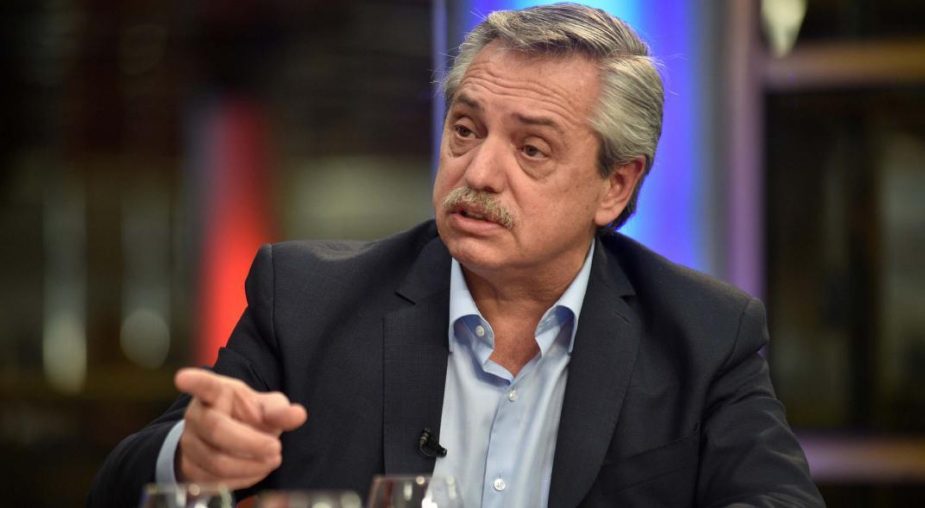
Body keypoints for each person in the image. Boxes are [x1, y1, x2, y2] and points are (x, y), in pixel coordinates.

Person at [89, 3, 824, 507]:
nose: (478, 172)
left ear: (615, 185)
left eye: (531, 149)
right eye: (466, 129)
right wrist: (191, 459)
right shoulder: (307, 302)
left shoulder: (703, 333)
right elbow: (118, 486)